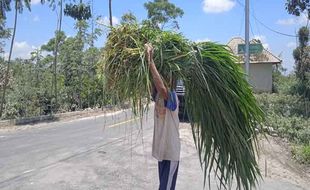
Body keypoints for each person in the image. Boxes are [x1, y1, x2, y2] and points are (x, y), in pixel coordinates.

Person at [145, 43, 181, 190]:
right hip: (162, 151)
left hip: (171, 152)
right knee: (163, 186)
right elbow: (154, 85)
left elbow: (161, 87)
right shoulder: (158, 96)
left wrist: (150, 61)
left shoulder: (172, 97)